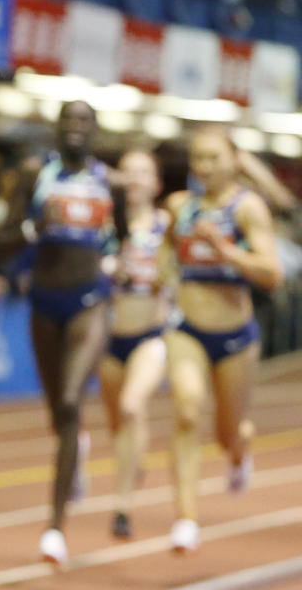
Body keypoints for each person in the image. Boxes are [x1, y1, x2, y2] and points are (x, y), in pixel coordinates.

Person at [161, 127, 282, 553]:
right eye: (197, 158)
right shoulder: (181, 206)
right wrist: (163, 285)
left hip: (234, 335)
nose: (204, 167)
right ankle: (186, 518)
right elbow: (163, 253)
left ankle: (238, 449)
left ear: (234, 160)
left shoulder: (247, 209)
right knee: (187, 410)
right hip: (186, 328)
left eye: (213, 158)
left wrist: (226, 250)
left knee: (226, 432)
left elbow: (271, 272)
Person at [21, 100, 126, 564]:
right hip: (45, 298)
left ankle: (55, 528)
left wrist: (119, 263)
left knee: (69, 400)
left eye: (85, 120)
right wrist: (31, 229)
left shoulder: (111, 183)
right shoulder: (35, 174)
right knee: (56, 415)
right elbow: (7, 233)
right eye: (69, 120)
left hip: (91, 298)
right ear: (58, 128)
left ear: (95, 129)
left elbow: (123, 236)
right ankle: (74, 442)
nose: (76, 128)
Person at [97, 149, 169, 539]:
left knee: (131, 406)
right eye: (129, 173)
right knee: (118, 424)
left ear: (156, 183)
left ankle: (122, 506)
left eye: (144, 173)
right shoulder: (104, 226)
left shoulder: (167, 226)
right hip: (109, 337)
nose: (136, 180)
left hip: (151, 335)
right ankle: (134, 457)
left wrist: (160, 276)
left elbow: (181, 273)